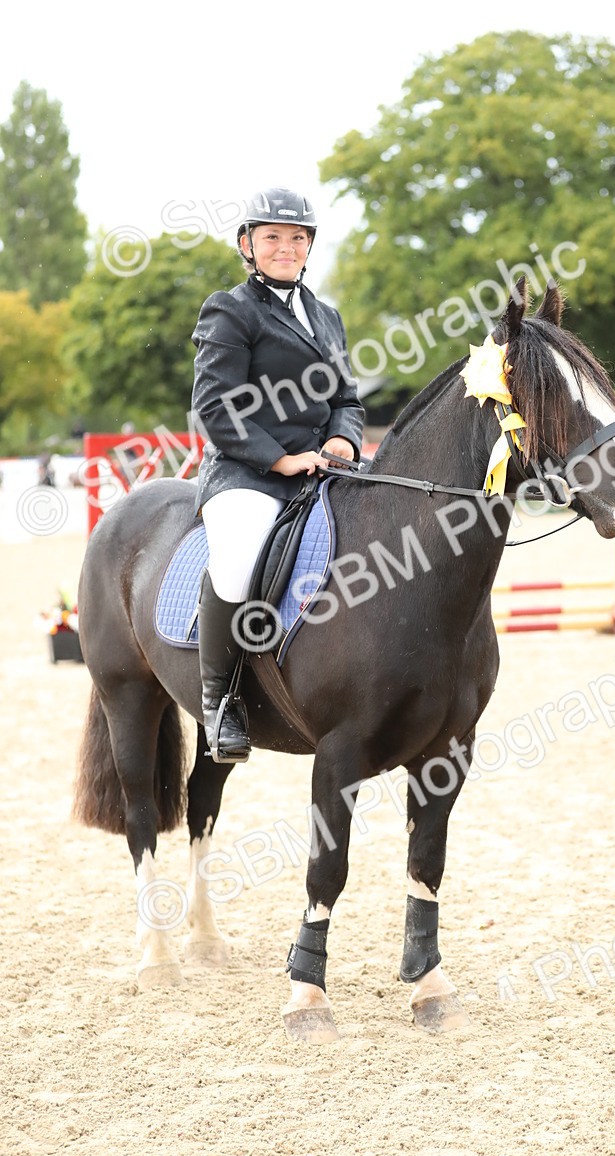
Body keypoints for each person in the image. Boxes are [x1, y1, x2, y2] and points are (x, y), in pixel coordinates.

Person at [190, 186, 365, 763]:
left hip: (323, 467)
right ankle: (220, 702)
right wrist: (281, 459)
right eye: (272, 238)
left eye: (297, 238)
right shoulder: (230, 309)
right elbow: (215, 405)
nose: (286, 248)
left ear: (309, 247)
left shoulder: (327, 315)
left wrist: (342, 435)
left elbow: (346, 397)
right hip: (250, 471)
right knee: (238, 562)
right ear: (248, 244)